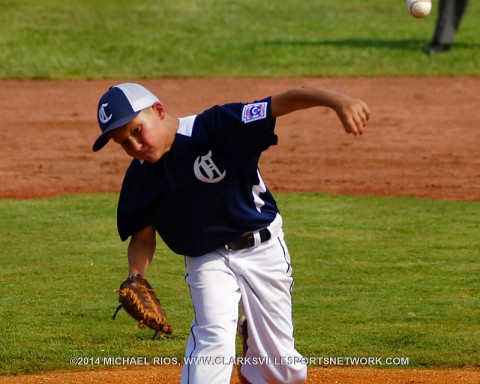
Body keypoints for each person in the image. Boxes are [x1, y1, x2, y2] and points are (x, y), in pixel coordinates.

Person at [93, 82, 370, 384]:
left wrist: (338, 101)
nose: (135, 146)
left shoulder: (217, 126)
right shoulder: (141, 175)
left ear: (158, 111)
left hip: (263, 248)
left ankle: (253, 357)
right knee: (213, 339)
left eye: (137, 130)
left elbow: (281, 101)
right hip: (206, 259)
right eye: (123, 142)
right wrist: (136, 276)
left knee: (287, 373)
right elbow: (143, 237)